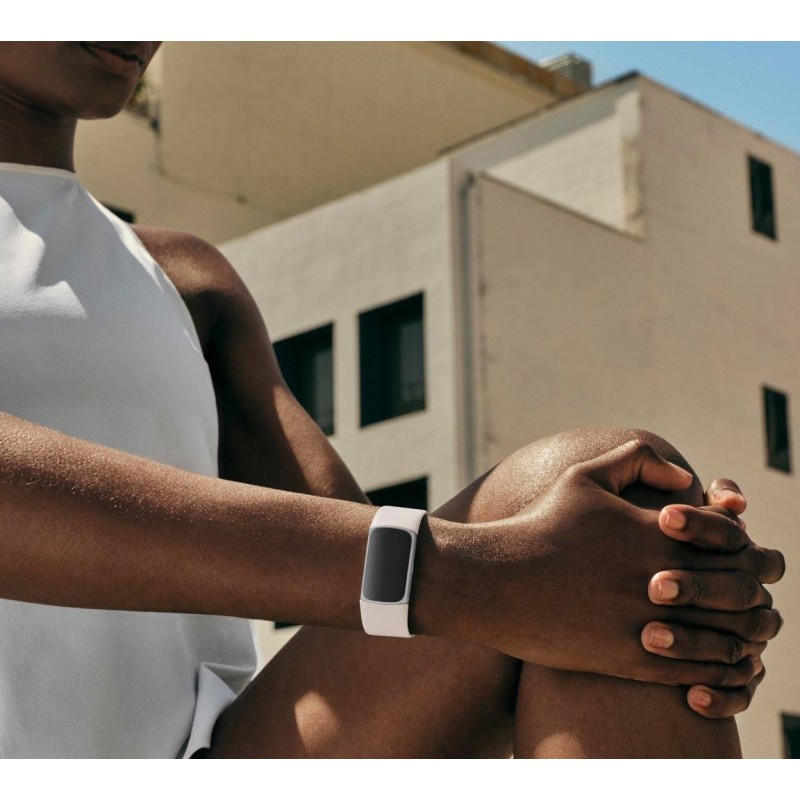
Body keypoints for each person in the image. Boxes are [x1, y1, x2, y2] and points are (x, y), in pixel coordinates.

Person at [0, 41, 785, 758]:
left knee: (621, 520)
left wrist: (688, 601)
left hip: (216, 758)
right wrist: (480, 581)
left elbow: (362, 573)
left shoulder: (184, 279)